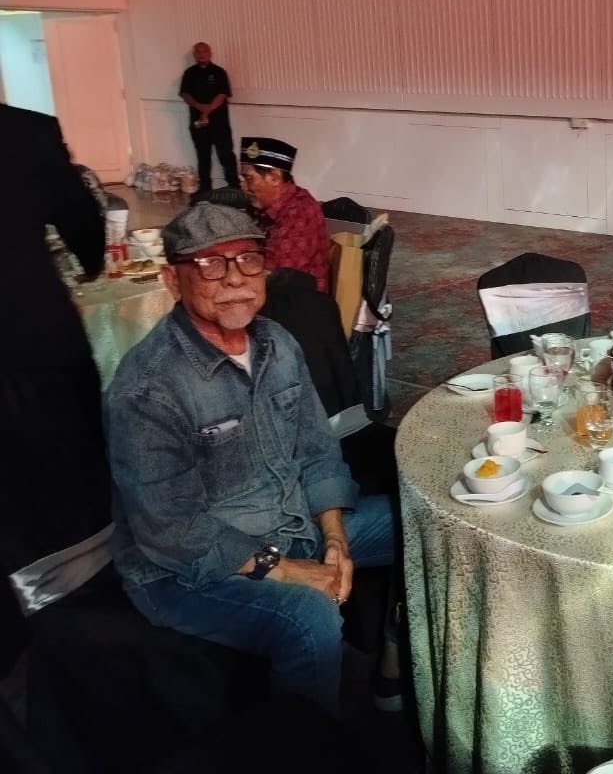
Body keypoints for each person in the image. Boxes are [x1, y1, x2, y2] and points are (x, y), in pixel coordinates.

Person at [104, 202, 395, 715]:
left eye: (248, 259)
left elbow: (317, 451)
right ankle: (302, 745)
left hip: (291, 523)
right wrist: (287, 570)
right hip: (186, 570)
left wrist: (334, 539)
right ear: (172, 280)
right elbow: (173, 531)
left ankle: (393, 659)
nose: (235, 278)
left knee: (417, 521)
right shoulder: (148, 389)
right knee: (309, 617)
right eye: (210, 264)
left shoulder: (278, 343)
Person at [1, 106, 109, 680]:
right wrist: (89, 262)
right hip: (35, 344)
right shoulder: (27, 131)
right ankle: (83, 640)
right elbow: (81, 221)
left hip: (33, 348)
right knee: (74, 485)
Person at [239, 137, 332, 293]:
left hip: (295, 298)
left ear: (274, 178)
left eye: (249, 179)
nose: (243, 186)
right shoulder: (261, 204)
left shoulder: (299, 212)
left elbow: (275, 278)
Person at [179, 42, 238, 193]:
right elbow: (185, 94)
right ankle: (205, 189)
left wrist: (207, 110)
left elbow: (222, 95)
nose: (201, 54)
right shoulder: (189, 73)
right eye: (198, 52)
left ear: (210, 53)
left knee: (225, 154)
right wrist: (199, 107)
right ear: (194, 55)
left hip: (219, 123)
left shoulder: (219, 72)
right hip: (198, 123)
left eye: (204, 51)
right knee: (203, 156)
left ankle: (234, 187)